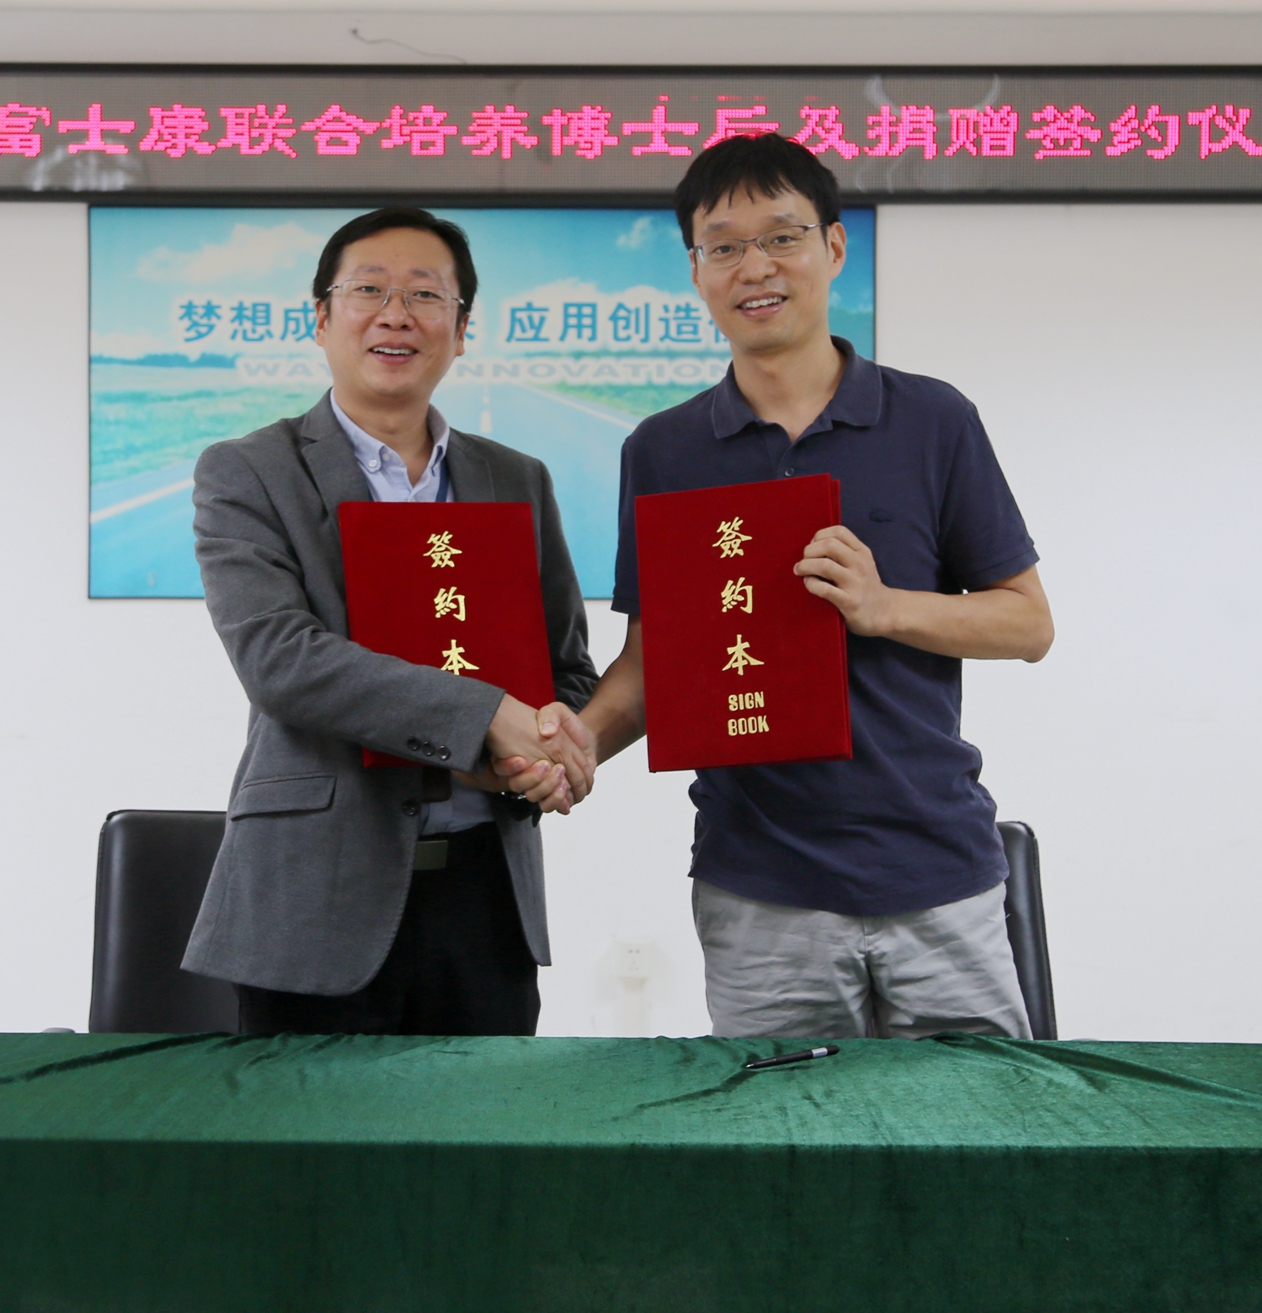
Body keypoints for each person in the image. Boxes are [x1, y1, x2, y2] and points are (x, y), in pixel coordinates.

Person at [555, 134, 1055, 1040]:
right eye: (724, 246)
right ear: (696, 271)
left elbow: (1027, 623)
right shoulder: (663, 451)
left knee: (974, 1123)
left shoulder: (933, 419)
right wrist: (568, 746)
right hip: (759, 888)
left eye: (782, 237)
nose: (756, 267)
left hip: (936, 871)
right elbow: (655, 663)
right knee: (781, 1127)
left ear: (832, 246)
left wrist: (885, 607)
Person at [182, 206, 598, 1038]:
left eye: (426, 295)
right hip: (312, 898)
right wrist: (486, 717)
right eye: (369, 290)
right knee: (306, 1127)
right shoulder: (249, 472)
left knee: (479, 1124)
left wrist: (544, 750)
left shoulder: (516, 478)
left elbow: (565, 671)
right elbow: (282, 661)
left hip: (485, 898)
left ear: (462, 329)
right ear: (321, 318)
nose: (395, 315)